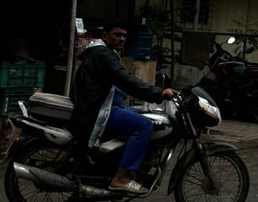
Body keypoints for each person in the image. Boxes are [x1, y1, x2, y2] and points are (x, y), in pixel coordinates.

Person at [70, 21, 178, 193]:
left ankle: (125, 161)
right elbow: (125, 79)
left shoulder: (103, 53)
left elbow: (119, 82)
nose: (121, 39)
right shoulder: (103, 55)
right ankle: (121, 178)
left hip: (103, 105)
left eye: (124, 36)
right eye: (117, 35)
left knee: (147, 114)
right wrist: (158, 93)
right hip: (98, 110)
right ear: (105, 36)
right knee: (144, 126)